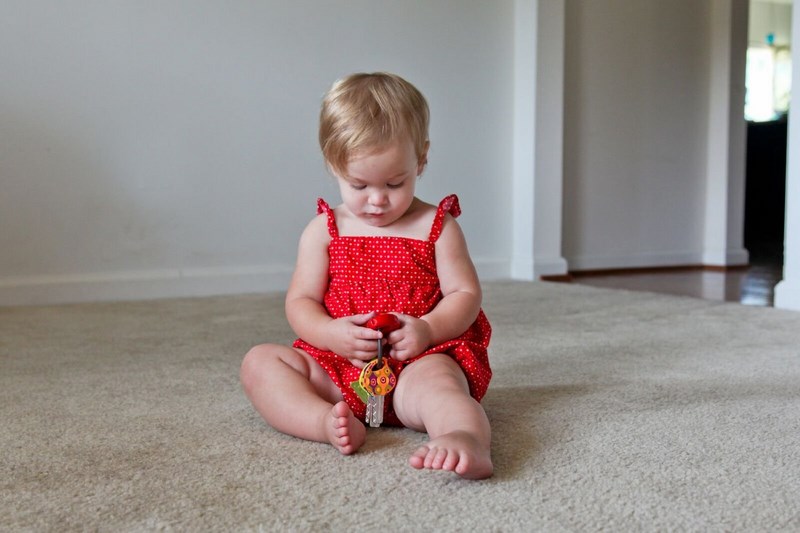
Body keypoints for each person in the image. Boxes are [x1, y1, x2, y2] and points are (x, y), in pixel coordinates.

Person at [240, 72, 493, 479]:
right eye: (358, 185)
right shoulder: (324, 230)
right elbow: (301, 301)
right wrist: (329, 334)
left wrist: (428, 329)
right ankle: (323, 421)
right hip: (338, 369)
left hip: (416, 365)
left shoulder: (437, 227)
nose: (377, 200)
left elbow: (465, 293)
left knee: (442, 386)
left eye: (395, 182)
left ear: (421, 160)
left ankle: (465, 438)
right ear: (333, 164)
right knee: (260, 363)